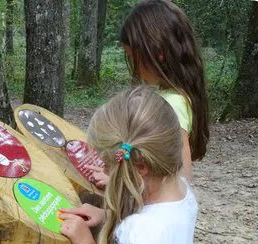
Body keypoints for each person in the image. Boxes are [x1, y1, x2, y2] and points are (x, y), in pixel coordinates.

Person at [88, 0, 209, 186]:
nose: (133, 68)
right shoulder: (174, 98)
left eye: (131, 56)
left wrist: (116, 183)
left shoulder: (171, 106)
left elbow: (179, 179)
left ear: (157, 52)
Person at [59, 86, 198, 244]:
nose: (104, 170)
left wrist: (84, 240)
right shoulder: (182, 190)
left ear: (141, 167)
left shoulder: (139, 232)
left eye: (107, 166)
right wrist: (107, 215)